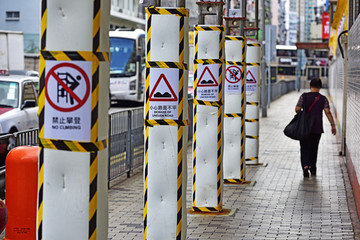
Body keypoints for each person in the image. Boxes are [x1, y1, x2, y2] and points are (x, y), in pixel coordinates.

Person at [295, 78, 336, 177]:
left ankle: (305, 166)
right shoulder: (323, 98)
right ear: (320, 87)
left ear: (310, 86)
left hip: (305, 128)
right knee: (314, 148)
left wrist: (303, 112)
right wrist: (332, 125)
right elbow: (327, 112)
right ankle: (313, 168)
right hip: (317, 128)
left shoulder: (304, 96)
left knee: (304, 147)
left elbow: (297, 109)